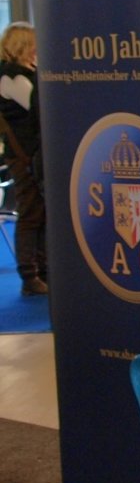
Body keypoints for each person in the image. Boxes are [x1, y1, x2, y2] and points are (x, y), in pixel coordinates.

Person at [0, 21, 46, 297]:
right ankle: (30, 275)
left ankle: (43, 268)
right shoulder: (11, 77)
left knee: (39, 211)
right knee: (30, 213)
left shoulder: (27, 73)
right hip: (23, 155)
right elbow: (36, 108)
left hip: (32, 154)